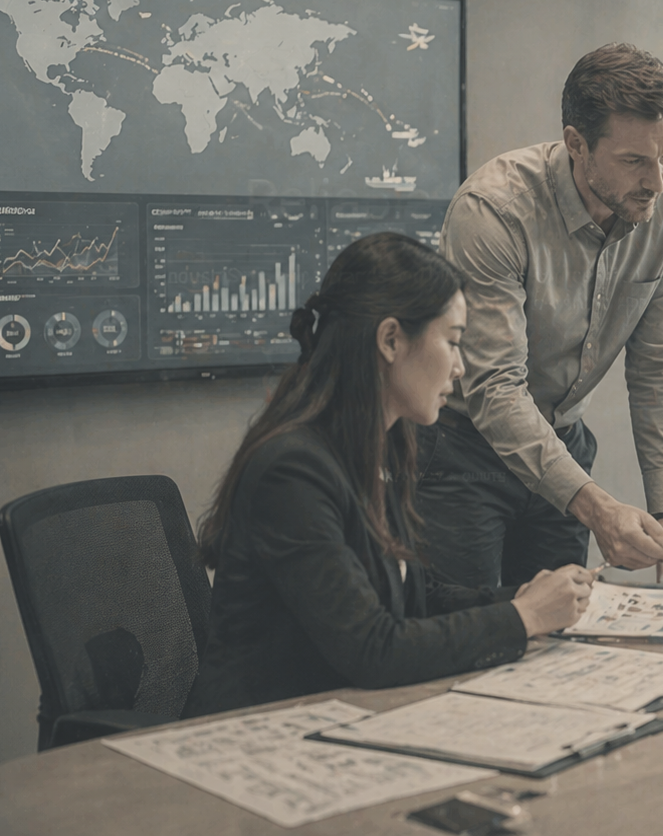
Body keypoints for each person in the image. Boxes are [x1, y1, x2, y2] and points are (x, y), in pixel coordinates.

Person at [185, 233, 592, 717]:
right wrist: (522, 618)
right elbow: (372, 650)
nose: (460, 367)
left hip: (342, 714)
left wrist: (522, 599)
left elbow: (413, 596)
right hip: (259, 729)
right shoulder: (291, 470)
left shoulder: (382, 444)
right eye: (452, 342)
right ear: (391, 340)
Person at [416, 43, 663, 589]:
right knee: (473, 625)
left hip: (564, 443)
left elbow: (660, 366)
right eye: (635, 161)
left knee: (562, 622)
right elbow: (496, 388)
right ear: (576, 144)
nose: (657, 182)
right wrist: (599, 508)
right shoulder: (493, 211)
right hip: (463, 451)